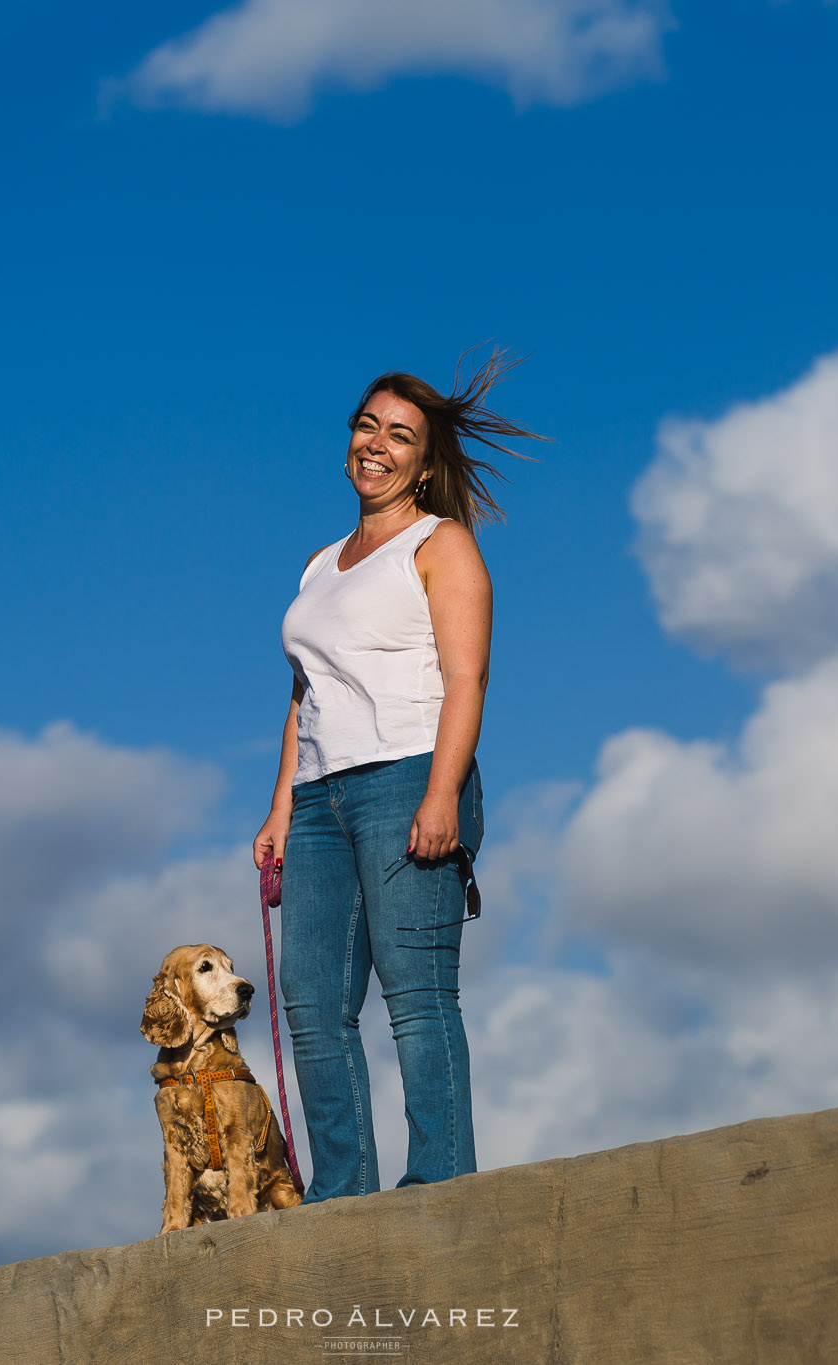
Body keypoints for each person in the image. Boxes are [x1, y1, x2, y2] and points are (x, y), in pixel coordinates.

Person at [251, 352, 544, 1201]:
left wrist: (443, 793)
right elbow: (304, 698)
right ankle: (340, 1193)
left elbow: (467, 677)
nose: (376, 444)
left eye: (399, 434)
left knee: (417, 996)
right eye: (367, 424)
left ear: (424, 458)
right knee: (312, 1006)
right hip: (316, 803)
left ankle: (442, 1184)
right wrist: (279, 809)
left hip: (408, 778)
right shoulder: (318, 565)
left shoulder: (440, 543)